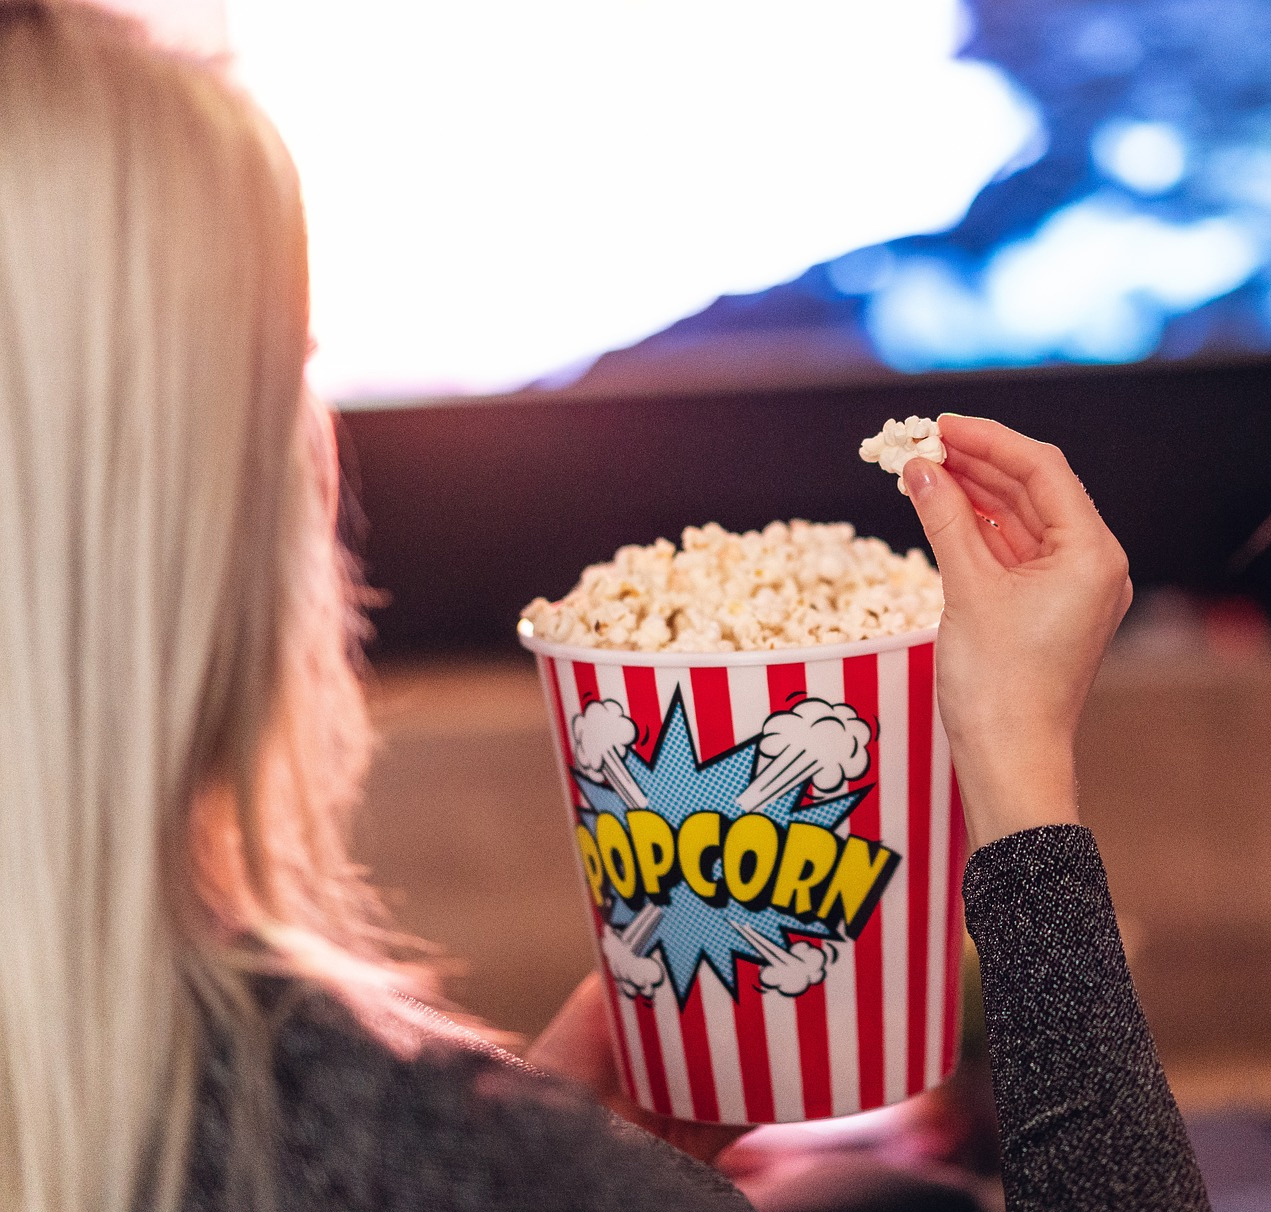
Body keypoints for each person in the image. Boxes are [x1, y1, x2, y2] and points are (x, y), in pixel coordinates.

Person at [0, 6, 1195, 1212]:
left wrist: (576, 1151)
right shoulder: (422, 1146)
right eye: (296, 364)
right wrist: (1022, 777)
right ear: (199, 498)